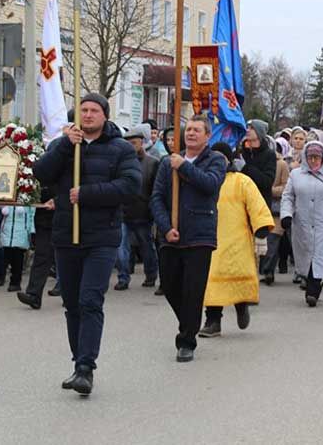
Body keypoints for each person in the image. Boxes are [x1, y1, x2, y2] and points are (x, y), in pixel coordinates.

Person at [33, 93, 140, 394]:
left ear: (105, 116)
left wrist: (88, 194)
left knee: (90, 300)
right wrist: (66, 146)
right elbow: (41, 173)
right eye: (84, 110)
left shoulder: (119, 149)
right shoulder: (64, 145)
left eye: (94, 110)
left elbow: (130, 186)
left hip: (101, 236)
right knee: (71, 304)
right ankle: (77, 360)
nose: (89, 115)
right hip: (66, 234)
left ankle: (85, 368)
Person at [151, 115, 227, 362]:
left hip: (199, 235)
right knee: (171, 286)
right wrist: (165, 227)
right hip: (171, 236)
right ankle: (189, 322)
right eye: (189, 129)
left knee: (193, 290)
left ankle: (186, 341)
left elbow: (210, 185)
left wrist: (183, 166)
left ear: (207, 135)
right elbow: (157, 198)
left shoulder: (215, 160)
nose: (191, 133)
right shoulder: (166, 163)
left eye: (197, 130)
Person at [200, 142, 273, 337]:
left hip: (236, 240)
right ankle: (213, 321)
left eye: (220, 158)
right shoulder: (204, 181)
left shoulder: (242, 181)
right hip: (209, 239)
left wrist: (262, 229)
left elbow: (256, 204)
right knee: (210, 280)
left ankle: (241, 306)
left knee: (236, 277)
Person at [280, 141, 323, 307]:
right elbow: (288, 196)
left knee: (321, 254)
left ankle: (313, 290)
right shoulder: (296, 175)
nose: (313, 160)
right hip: (303, 222)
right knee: (306, 254)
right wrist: (286, 215)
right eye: (310, 157)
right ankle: (309, 281)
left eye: (317, 157)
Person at [116, 124, 160, 291]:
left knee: (147, 246)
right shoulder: (120, 164)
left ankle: (151, 274)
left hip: (143, 213)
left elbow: (155, 189)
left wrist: (152, 210)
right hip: (123, 212)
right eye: (128, 143)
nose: (131, 146)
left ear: (142, 142)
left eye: (134, 143)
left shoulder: (152, 163)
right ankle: (123, 278)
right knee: (121, 249)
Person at [260, 138, 292, 285]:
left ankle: (269, 271)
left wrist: (269, 189)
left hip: (276, 209)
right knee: (262, 241)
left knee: (272, 242)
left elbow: (286, 187)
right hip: (259, 207)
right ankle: (263, 270)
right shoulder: (256, 162)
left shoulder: (282, 164)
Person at [0, 203, 35, 291]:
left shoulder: (28, 196)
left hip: (21, 231)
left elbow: (32, 214)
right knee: (7, 256)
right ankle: (2, 276)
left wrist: (32, 230)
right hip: (7, 231)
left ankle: (15, 282)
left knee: (18, 259)